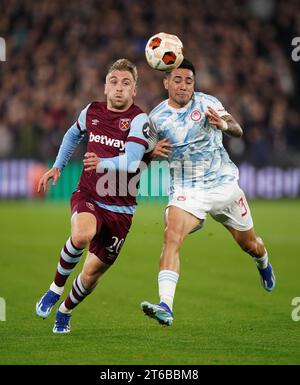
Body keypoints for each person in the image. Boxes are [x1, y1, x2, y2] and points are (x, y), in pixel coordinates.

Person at [141, 58, 275, 327]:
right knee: (171, 236)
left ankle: (263, 262)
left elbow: (237, 129)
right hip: (187, 191)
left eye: (188, 81)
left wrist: (224, 125)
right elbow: (143, 157)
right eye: (177, 80)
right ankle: (166, 305)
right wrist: (151, 153)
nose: (183, 86)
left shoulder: (207, 103)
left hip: (224, 186)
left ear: (194, 84)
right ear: (166, 82)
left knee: (250, 245)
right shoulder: (155, 118)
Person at [36, 59, 154, 333]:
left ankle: (65, 310)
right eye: (114, 82)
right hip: (88, 194)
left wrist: (103, 163)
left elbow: (134, 160)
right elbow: (71, 135)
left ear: (134, 90)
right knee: (81, 235)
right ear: (105, 87)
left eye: (126, 83)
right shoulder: (91, 111)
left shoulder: (138, 119)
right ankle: (55, 289)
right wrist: (57, 166)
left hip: (121, 209)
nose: (119, 88)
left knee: (90, 275)